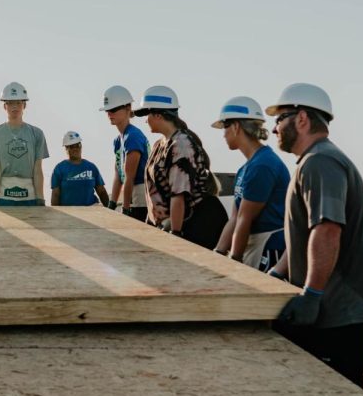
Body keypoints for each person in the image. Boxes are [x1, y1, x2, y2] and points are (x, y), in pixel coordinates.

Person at [267, 83, 363, 390]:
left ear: (302, 119)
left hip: (339, 311)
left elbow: (327, 229)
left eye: (280, 119)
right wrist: (278, 272)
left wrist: (312, 294)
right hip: (329, 306)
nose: (274, 128)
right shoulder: (313, 161)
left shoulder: (321, 162)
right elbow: (305, 235)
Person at [136, 86, 227, 248]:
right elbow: (152, 194)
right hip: (174, 225)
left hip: (196, 226)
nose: (145, 120)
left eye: (147, 114)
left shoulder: (181, 145)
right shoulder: (159, 145)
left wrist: (176, 235)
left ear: (157, 114)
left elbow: (178, 195)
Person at [212, 96, 290, 270]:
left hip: (269, 247)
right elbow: (235, 218)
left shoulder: (263, 165)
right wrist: (217, 254)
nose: (223, 134)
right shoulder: (247, 168)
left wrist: (234, 260)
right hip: (254, 245)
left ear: (236, 126)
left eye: (225, 127)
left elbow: (244, 219)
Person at [0, 82, 49, 206]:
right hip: (3, 196)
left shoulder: (37, 134)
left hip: (29, 196)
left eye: (18, 102)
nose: (15, 106)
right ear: (5, 106)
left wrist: (40, 198)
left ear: (24, 105)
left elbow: (37, 168)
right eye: (10, 103)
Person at [101, 85, 149, 220]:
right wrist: (112, 204)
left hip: (140, 200)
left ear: (128, 107)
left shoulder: (133, 136)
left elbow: (130, 177)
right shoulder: (118, 140)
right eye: (107, 110)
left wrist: (125, 208)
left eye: (114, 109)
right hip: (132, 197)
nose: (109, 114)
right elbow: (118, 175)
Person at [50, 131, 109, 207]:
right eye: (71, 146)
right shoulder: (59, 169)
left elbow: (101, 191)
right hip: (69, 213)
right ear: (66, 148)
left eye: (77, 145)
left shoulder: (91, 167)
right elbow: (55, 194)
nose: (75, 149)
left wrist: (110, 210)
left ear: (81, 146)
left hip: (92, 211)